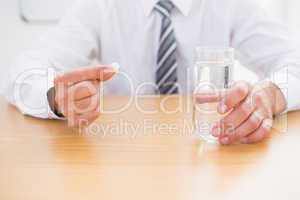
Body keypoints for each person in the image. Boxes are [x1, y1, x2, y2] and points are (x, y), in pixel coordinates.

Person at [4, 0, 300, 145]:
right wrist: (57, 97)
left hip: (208, 153)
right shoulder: (99, 5)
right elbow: (20, 73)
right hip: (121, 154)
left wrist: (270, 96)